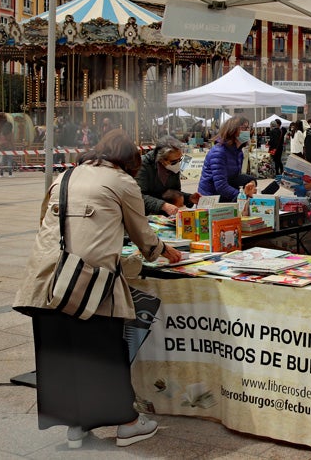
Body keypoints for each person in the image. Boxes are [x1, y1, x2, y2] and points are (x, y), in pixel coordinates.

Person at [13, 129, 183, 449]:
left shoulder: (66, 176)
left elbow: (45, 224)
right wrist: (165, 250)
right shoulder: (122, 182)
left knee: (61, 353)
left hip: (46, 279)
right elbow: (143, 235)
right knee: (103, 352)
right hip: (88, 282)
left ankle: (76, 426)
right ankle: (128, 424)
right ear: (128, 162)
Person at [197, 117, 258, 203]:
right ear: (232, 130)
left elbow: (234, 177)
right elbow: (221, 185)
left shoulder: (238, 151)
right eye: (244, 128)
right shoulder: (219, 152)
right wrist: (242, 196)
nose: (248, 131)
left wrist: (251, 181)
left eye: (248, 128)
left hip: (224, 197)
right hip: (211, 200)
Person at [136, 134, 200, 216]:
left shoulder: (173, 168)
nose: (177, 163)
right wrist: (163, 205)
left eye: (179, 159)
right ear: (161, 159)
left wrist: (189, 198)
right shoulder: (143, 165)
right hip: (146, 215)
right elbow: (139, 196)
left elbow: (173, 193)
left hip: (165, 216)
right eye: (174, 161)